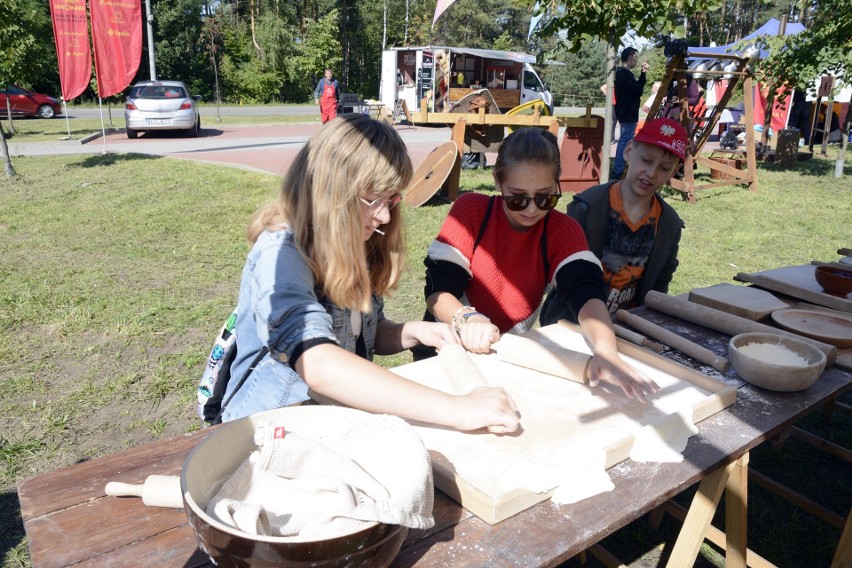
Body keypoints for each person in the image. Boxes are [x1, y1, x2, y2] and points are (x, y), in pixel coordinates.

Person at [220, 114, 519, 434]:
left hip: (331, 420)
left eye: (392, 200)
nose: (386, 215)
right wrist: (458, 409)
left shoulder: (354, 239)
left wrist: (417, 332)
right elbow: (318, 363)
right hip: (267, 431)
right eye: (373, 199)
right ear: (330, 191)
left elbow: (365, 334)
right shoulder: (280, 255)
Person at [418, 128, 659, 402]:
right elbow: (438, 292)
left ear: (558, 185)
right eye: (517, 198)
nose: (532, 209)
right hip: (444, 349)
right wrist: (467, 318)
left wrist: (606, 352)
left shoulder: (562, 230)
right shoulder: (471, 211)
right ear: (498, 183)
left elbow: (587, 295)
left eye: (545, 198)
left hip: (506, 354)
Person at [540, 117, 687, 324]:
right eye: (646, 160)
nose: (652, 173)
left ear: (674, 171)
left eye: (664, 168)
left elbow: (660, 283)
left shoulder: (669, 224)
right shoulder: (587, 207)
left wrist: (650, 321)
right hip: (573, 321)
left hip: (629, 325)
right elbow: (560, 270)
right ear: (628, 151)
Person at [613, 47, 648, 179]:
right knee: (625, 141)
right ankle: (617, 172)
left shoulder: (623, 73)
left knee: (625, 140)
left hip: (627, 113)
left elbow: (637, 88)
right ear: (630, 56)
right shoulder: (624, 74)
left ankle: (619, 169)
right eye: (636, 57)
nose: (636, 60)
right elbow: (638, 91)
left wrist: (643, 73)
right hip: (627, 113)